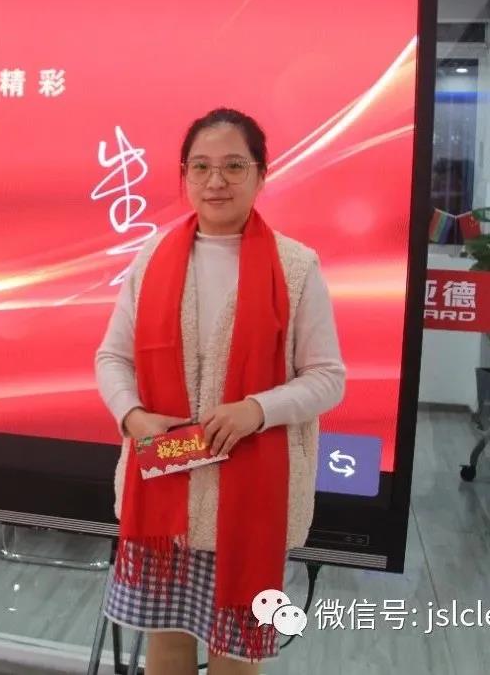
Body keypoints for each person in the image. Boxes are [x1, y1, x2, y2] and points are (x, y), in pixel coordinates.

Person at [95, 108, 345, 674]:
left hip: (251, 501)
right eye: (201, 166)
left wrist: (259, 409)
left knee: (235, 655)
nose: (216, 181)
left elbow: (327, 378)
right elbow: (112, 357)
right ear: (184, 175)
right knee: (165, 646)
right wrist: (132, 416)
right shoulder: (153, 257)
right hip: (163, 492)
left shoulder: (295, 266)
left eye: (234, 166)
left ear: (261, 174)